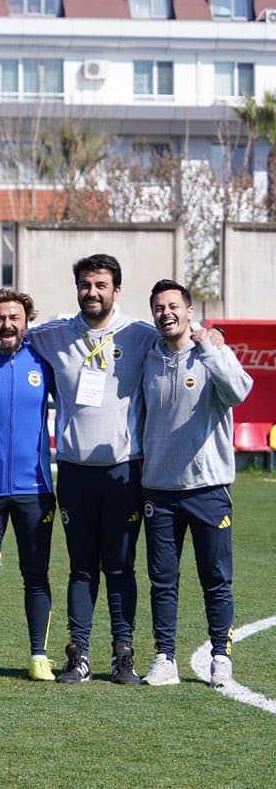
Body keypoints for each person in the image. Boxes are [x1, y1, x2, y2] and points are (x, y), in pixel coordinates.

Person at [0, 254, 158, 684]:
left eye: (100, 285)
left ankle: (114, 655)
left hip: (99, 475)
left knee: (110, 567)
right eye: (85, 284)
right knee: (67, 568)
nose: (92, 292)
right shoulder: (50, 339)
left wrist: (206, 337)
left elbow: (176, 341)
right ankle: (50, 656)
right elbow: (4, 338)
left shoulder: (137, 335)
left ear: (116, 289)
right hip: (44, 478)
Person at [138, 280, 252, 689]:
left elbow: (240, 391)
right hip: (159, 490)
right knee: (163, 580)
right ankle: (164, 658)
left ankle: (221, 656)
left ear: (189, 311)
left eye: (173, 306)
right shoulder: (147, 359)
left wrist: (211, 347)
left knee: (216, 578)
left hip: (208, 488)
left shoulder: (212, 352)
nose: (165, 313)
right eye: (158, 308)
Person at [0, 289, 57, 682]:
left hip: (36, 487)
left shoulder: (45, 361)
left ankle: (39, 656)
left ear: (27, 320)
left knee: (36, 573)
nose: (7, 324)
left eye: (14, 317)